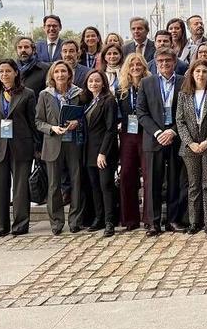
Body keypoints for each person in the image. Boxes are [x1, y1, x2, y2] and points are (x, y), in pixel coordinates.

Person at [0, 60, 38, 237]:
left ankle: (20, 224)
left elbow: (32, 122)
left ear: (15, 73)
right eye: (1, 72)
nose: (4, 75)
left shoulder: (27, 94)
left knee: (20, 188)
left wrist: (36, 147)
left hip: (21, 145)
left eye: (8, 71)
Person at [138, 48, 187, 235]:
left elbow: (187, 112)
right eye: (161, 61)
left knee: (176, 180)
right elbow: (141, 113)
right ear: (155, 63)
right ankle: (153, 222)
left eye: (168, 60)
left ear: (174, 62)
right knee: (152, 182)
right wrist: (158, 132)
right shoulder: (146, 83)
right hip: (154, 138)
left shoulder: (183, 82)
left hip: (176, 137)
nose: (164, 64)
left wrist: (172, 132)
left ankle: (173, 220)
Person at [35, 61, 87, 235]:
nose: (60, 74)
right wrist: (51, 128)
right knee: (53, 185)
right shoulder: (45, 95)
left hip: (73, 142)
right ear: (52, 75)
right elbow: (38, 121)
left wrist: (77, 123)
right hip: (53, 143)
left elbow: (85, 116)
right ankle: (56, 222)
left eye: (63, 71)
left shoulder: (78, 93)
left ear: (69, 74)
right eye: (56, 71)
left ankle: (75, 220)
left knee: (77, 181)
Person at [176, 59, 207, 234]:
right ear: (192, 74)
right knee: (194, 185)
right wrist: (190, 142)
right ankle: (193, 222)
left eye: (204, 71)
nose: (201, 75)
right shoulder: (184, 95)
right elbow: (179, 121)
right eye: (197, 71)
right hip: (190, 148)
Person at [81, 70, 119, 237]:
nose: (93, 84)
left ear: (103, 83)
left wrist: (103, 152)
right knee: (95, 186)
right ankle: (99, 217)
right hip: (89, 150)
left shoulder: (109, 101)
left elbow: (111, 129)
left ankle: (110, 221)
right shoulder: (87, 101)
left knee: (106, 185)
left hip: (104, 151)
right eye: (90, 81)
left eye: (97, 81)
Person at [116, 54, 150, 231]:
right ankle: (130, 218)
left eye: (139, 64)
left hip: (146, 132)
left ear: (143, 67)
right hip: (128, 134)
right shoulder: (121, 89)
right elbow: (118, 112)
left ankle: (149, 217)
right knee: (127, 175)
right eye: (132, 65)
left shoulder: (150, 85)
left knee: (148, 174)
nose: (135, 67)